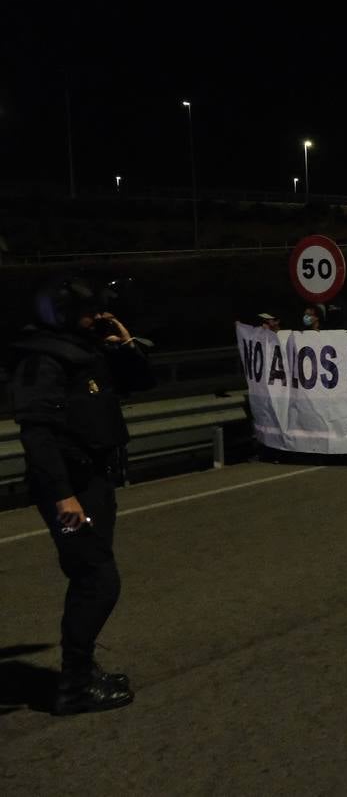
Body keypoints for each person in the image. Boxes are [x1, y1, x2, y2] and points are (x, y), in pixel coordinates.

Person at [9, 278, 155, 714]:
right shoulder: (43, 360)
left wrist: (126, 344)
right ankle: (74, 685)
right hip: (69, 491)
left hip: (93, 482)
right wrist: (63, 498)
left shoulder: (84, 350)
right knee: (98, 580)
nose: (97, 317)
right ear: (64, 314)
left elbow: (140, 382)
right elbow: (37, 435)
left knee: (90, 574)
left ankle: (81, 670)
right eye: (89, 312)